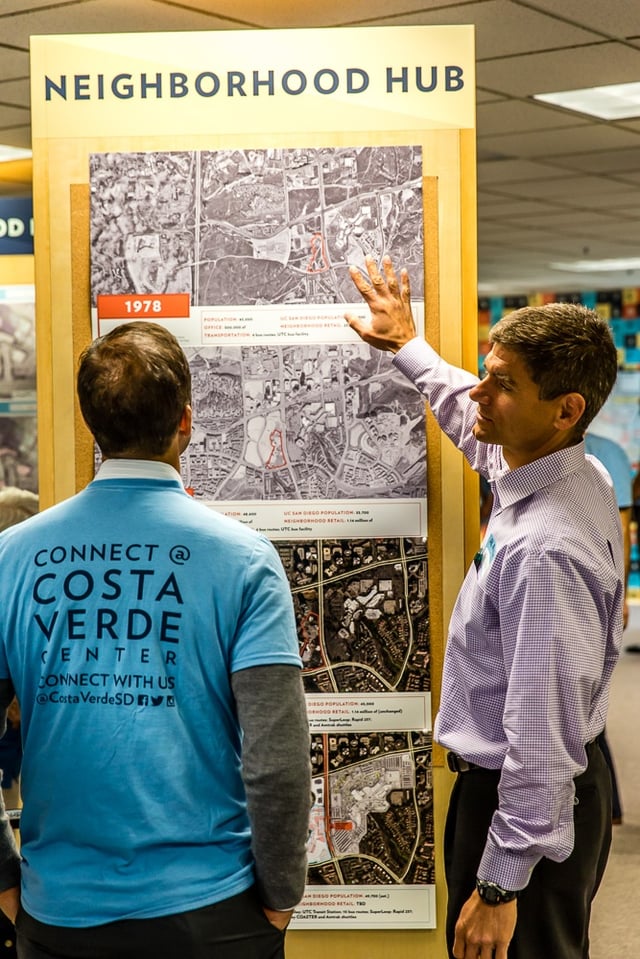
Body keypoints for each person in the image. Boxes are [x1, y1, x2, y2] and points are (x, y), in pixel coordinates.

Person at [0, 322, 311, 959]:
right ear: (187, 421)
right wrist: (281, 894)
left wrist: (3, 878)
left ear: (92, 427)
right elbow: (277, 759)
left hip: (58, 912)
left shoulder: (12, 557)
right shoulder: (245, 560)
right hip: (211, 911)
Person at [345, 256, 623, 959]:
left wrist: (500, 887)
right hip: (530, 795)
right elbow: (472, 425)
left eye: (503, 384)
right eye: (485, 369)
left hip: (527, 802)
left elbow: (541, 728)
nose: (480, 391)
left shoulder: (545, 548)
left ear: (565, 410)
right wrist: (408, 343)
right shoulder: (560, 465)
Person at [584, 431, 633, 823]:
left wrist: (617, 598)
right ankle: (609, 805)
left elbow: (621, 530)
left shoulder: (608, 454)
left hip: (593, 590)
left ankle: (606, 804)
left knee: (585, 696)